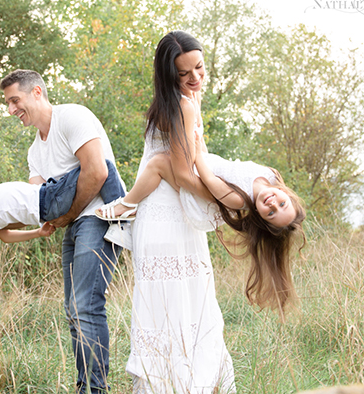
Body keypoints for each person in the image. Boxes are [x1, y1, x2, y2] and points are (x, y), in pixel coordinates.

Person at [124, 30, 235, 394]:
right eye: (185, 73)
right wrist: (228, 206)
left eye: (200, 68)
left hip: (155, 218)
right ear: (169, 74)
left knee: (169, 304)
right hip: (168, 217)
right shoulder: (184, 106)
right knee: (187, 301)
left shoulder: (171, 103)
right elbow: (185, 175)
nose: (195, 78)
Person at [3, 69, 126, 394]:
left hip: (99, 217)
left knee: (85, 306)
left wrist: (67, 214)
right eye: (8, 104)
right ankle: (84, 391)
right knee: (73, 311)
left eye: (16, 100)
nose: (12, 109)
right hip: (72, 225)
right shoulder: (34, 152)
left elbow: (98, 172)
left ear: (37, 92)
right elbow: (36, 200)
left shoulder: (72, 117)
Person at [96, 133, 306, 312]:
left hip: (200, 194)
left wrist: (195, 150)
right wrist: (200, 147)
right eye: (282, 204)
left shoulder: (239, 199)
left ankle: (128, 205)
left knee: (159, 163)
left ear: (260, 216)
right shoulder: (270, 175)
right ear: (285, 193)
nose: (273, 204)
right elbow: (226, 168)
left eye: (271, 213)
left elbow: (211, 180)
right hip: (208, 162)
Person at [0, 159, 125, 299]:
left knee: (93, 172)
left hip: (47, 205)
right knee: (101, 165)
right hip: (47, 198)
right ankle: (122, 220)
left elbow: (6, 236)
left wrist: (37, 233)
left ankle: (98, 281)